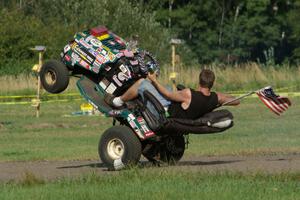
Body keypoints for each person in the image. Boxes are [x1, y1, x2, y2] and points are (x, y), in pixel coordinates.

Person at [105, 69, 239, 120]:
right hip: (180, 113)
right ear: (212, 83)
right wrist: (222, 97)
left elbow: (168, 95)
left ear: (199, 80)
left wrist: (154, 81)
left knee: (142, 83)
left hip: (163, 112)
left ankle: (118, 101)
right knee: (167, 86)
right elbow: (236, 101)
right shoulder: (215, 98)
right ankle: (131, 97)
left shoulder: (189, 94)